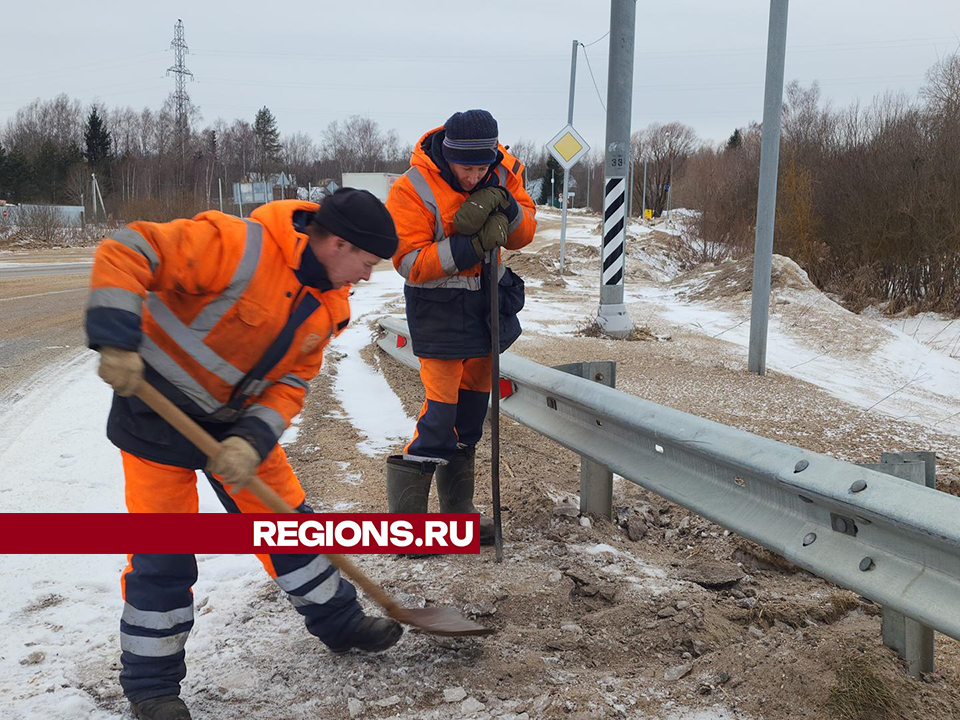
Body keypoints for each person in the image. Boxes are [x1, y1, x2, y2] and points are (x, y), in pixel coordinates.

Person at [86, 190, 402, 720]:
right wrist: (115, 340)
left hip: (234, 428)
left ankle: (340, 623)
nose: (367, 276)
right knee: (162, 556)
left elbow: (291, 385)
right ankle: (152, 689)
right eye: (366, 263)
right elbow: (128, 247)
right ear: (338, 243)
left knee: (292, 528)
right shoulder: (238, 245)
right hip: (156, 414)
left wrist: (250, 440)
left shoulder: (329, 305)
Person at [384, 109, 537, 544]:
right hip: (438, 310)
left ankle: (457, 523)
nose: (474, 177)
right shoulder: (411, 187)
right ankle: (409, 532)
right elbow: (410, 263)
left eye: (480, 167)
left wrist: (507, 207)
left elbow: (525, 230)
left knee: (471, 418)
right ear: (448, 155)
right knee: (440, 417)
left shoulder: (501, 171)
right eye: (465, 167)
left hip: (487, 307)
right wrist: (470, 246)